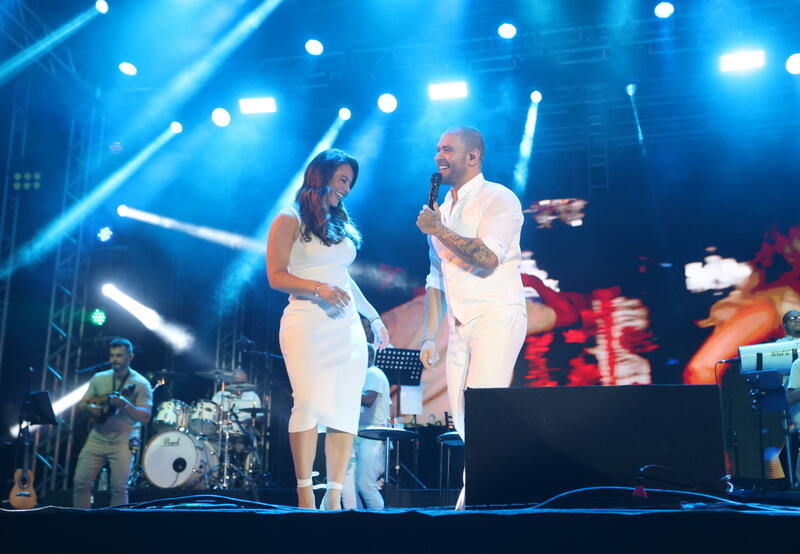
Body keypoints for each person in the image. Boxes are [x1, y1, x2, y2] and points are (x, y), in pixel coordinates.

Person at [266, 148, 390, 510]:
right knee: (307, 404)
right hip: (306, 323)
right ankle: (306, 493)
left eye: (350, 182)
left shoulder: (336, 224)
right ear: (320, 177)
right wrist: (317, 288)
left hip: (346, 328)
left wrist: (374, 318)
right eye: (342, 180)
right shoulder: (289, 219)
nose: (347, 189)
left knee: (344, 409)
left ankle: (334, 494)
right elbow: (276, 276)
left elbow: (344, 279)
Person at [416, 126, 527, 509]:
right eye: (437, 149)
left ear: (473, 156)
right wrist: (430, 336)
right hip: (459, 326)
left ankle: (478, 503)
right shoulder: (442, 210)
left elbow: (487, 258)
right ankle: (483, 498)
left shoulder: (499, 198)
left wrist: (439, 231)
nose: (438, 156)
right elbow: (435, 277)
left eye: (447, 149)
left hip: (496, 314)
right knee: (463, 423)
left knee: (483, 414)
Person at [73, 338, 152, 508]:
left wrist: (125, 404)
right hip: (98, 436)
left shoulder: (141, 383)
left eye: (119, 355)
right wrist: (90, 409)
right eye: (112, 355)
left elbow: (145, 417)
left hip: (123, 440)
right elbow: (82, 403)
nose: (114, 359)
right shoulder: (99, 378)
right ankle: (79, 521)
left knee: (118, 488)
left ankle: (117, 526)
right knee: (80, 482)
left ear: (130, 357)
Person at [342, 343, 391, 509]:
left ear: (368, 356)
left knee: (365, 484)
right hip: (362, 436)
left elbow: (368, 400)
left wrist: (342, 390)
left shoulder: (372, 373)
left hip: (373, 436)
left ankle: (381, 522)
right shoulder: (364, 375)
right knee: (352, 487)